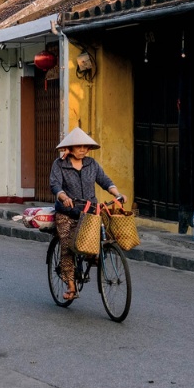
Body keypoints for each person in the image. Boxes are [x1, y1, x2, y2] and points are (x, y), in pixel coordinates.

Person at [49, 127, 124, 300]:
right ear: (70, 148)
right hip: (67, 213)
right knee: (67, 247)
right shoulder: (59, 164)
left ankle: (92, 256)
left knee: (101, 236)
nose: (83, 149)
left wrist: (117, 194)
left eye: (85, 146)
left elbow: (105, 181)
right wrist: (63, 197)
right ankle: (71, 286)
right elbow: (55, 185)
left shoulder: (92, 164)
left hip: (90, 212)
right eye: (79, 146)